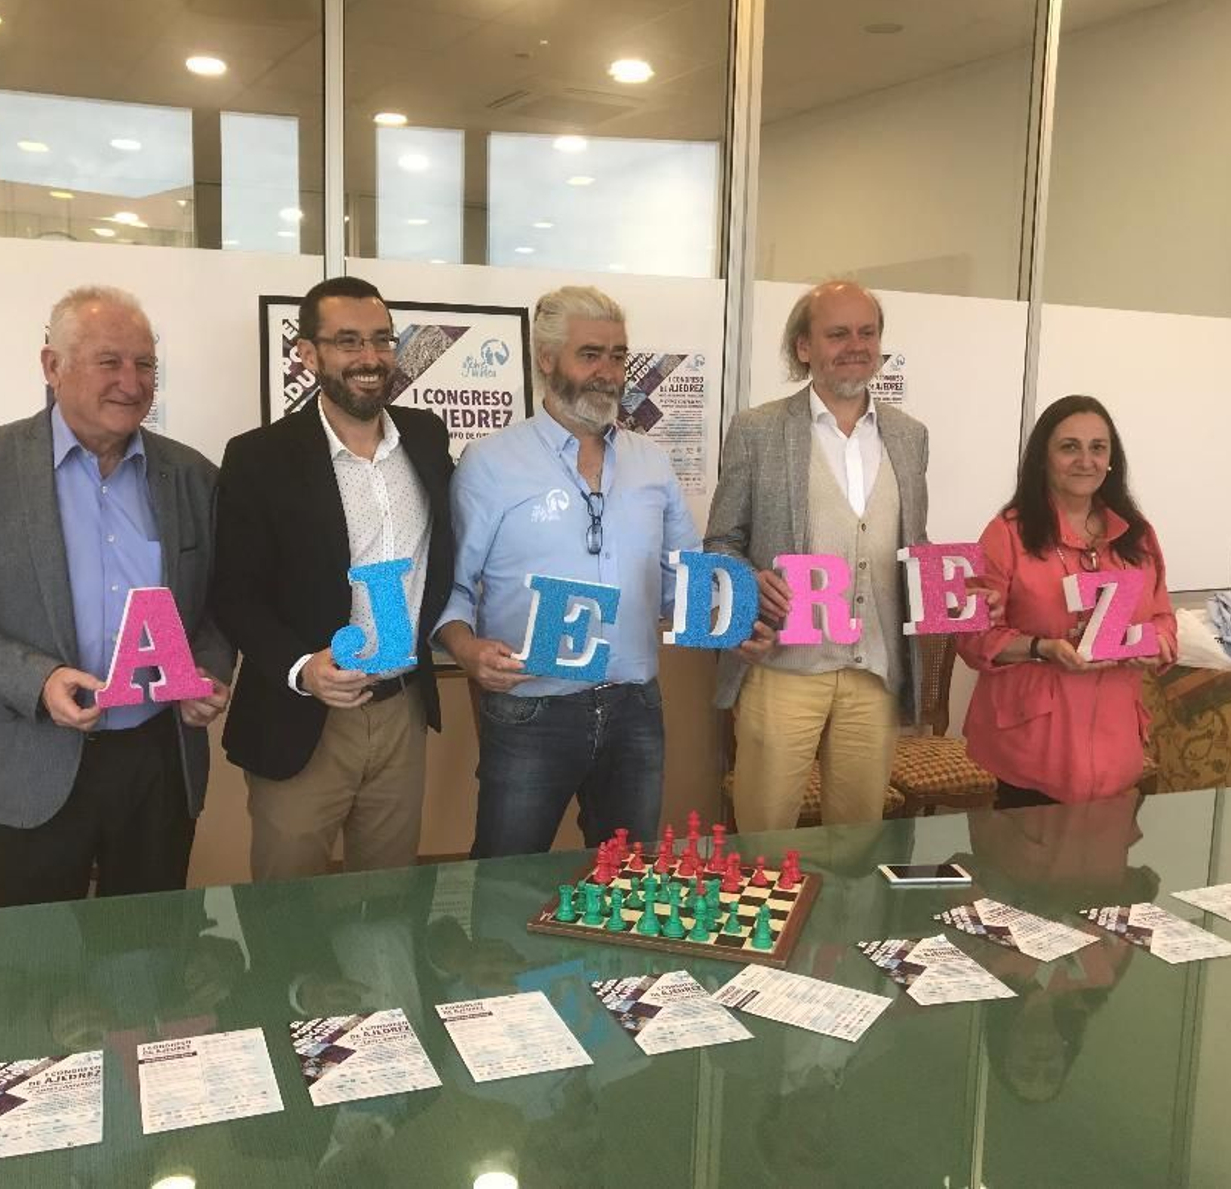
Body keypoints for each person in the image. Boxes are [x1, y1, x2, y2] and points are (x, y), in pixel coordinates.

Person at [0, 285, 232, 908]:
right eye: (110, 361)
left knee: (149, 961)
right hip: (28, 760)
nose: (132, 383)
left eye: (145, 364)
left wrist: (205, 669)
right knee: (29, 975)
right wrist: (37, 678)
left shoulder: (192, 476)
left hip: (157, 761)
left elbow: (213, 606)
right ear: (52, 367)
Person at [436, 285, 765, 857]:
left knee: (626, 885)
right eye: (590, 354)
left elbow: (680, 584)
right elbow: (452, 589)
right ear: (546, 360)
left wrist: (731, 621)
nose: (608, 371)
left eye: (618, 355)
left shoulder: (651, 462)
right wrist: (466, 650)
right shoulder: (489, 463)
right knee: (503, 884)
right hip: (531, 708)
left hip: (634, 708)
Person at [214, 275, 455, 880]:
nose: (370, 359)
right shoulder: (258, 456)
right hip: (301, 720)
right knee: (286, 905)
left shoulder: (427, 437)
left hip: (401, 708)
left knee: (387, 896)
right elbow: (233, 592)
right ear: (308, 353)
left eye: (381, 340)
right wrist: (301, 668)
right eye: (348, 342)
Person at [704, 280, 929, 833]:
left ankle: (850, 924)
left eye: (866, 332)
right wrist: (749, 584)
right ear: (804, 347)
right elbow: (720, 542)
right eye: (837, 333)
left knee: (858, 840)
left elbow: (914, 545)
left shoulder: (909, 435)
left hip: (874, 672)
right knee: (765, 839)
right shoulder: (758, 431)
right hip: (785, 668)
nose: (855, 345)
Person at [955, 395, 1176, 807]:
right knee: (1020, 870)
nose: (1086, 460)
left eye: (1098, 448)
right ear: (1043, 457)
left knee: (1105, 868)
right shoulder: (1006, 533)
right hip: (1033, 748)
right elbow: (972, 636)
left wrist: (1158, 643)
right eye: (1069, 447)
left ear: (1112, 459)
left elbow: (1163, 617)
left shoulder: (1138, 535)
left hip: (1116, 749)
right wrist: (1042, 648)